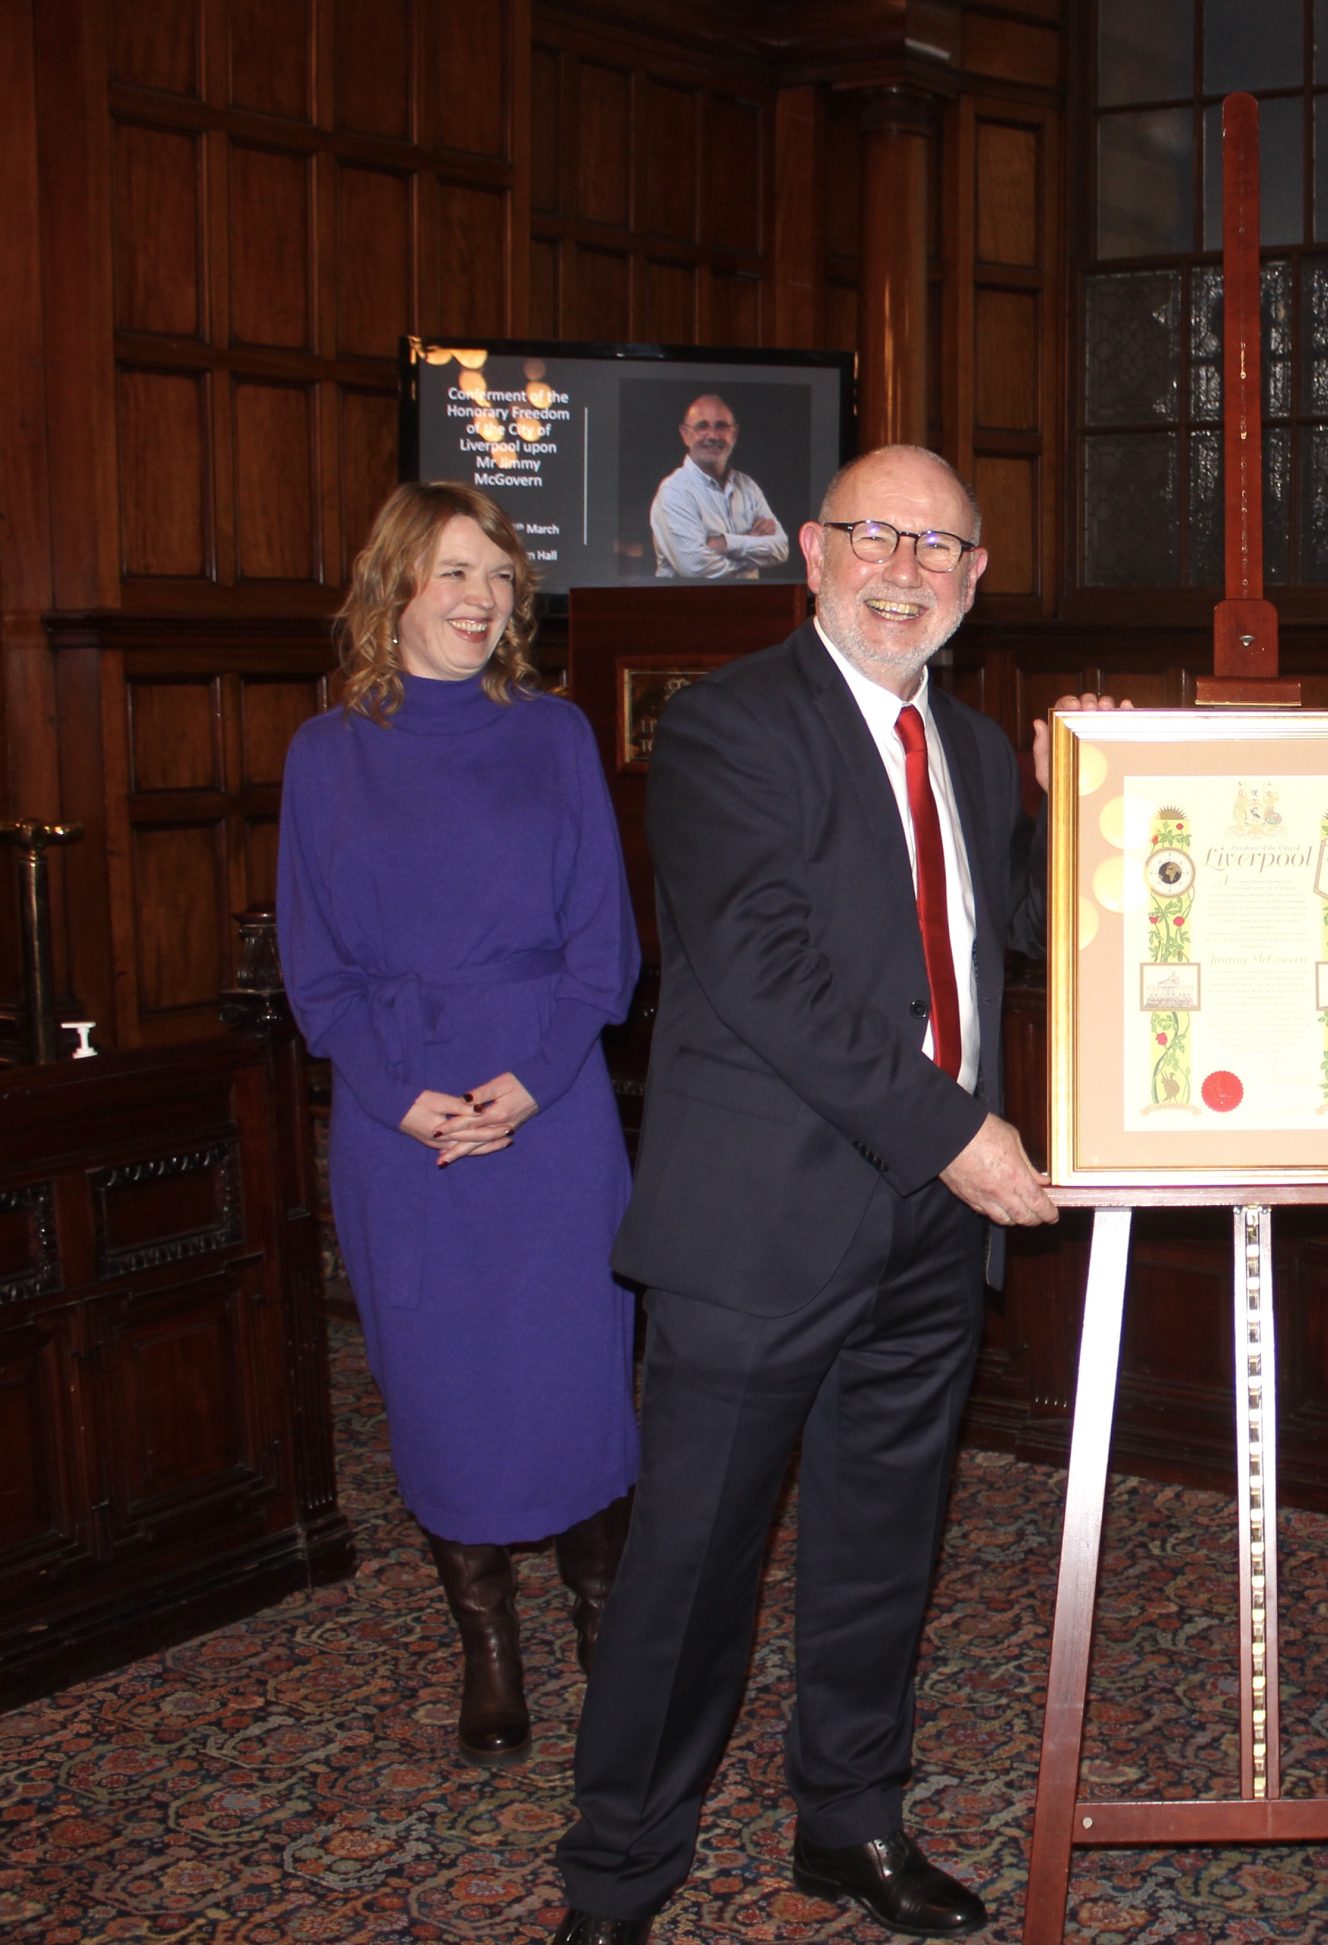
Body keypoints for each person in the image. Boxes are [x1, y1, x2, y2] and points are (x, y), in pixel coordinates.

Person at [552, 446, 1106, 1944]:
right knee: (688, 1572)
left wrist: (1106, 799)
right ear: (812, 549)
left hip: (928, 1238)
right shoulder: (730, 727)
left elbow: (1059, 922)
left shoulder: (981, 755)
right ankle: (616, 1880)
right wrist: (958, 1136)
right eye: (875, 535)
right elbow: (771, 975)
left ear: (977, 582)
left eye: (942, 547)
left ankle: (849, 1822)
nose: (906, 568)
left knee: (880, 1548)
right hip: (761, 1229)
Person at [277, 481, 642, 1768]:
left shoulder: (553, 734)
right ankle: (486, 1642)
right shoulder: (324, 754)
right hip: (403, 1124)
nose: (482, 598)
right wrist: (396, 1092)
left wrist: (533, 1082)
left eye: (497, 573)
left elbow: (607, 952)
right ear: (393, 591)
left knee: (577, 1374)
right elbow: (315, 976)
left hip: (550, 1112)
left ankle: (605, 1621)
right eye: (452, 573)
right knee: (438, 1387)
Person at [648, 393, 791, 580]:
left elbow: (781, 548)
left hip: (747, 607)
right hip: (686, 608)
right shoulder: (673, 491)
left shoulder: (748, 487)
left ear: (734, 434)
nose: (713, 435)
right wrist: (751, 542)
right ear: (685, 435)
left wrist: (726, 543)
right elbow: (695, 568)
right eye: (702, 426)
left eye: (721, 426)